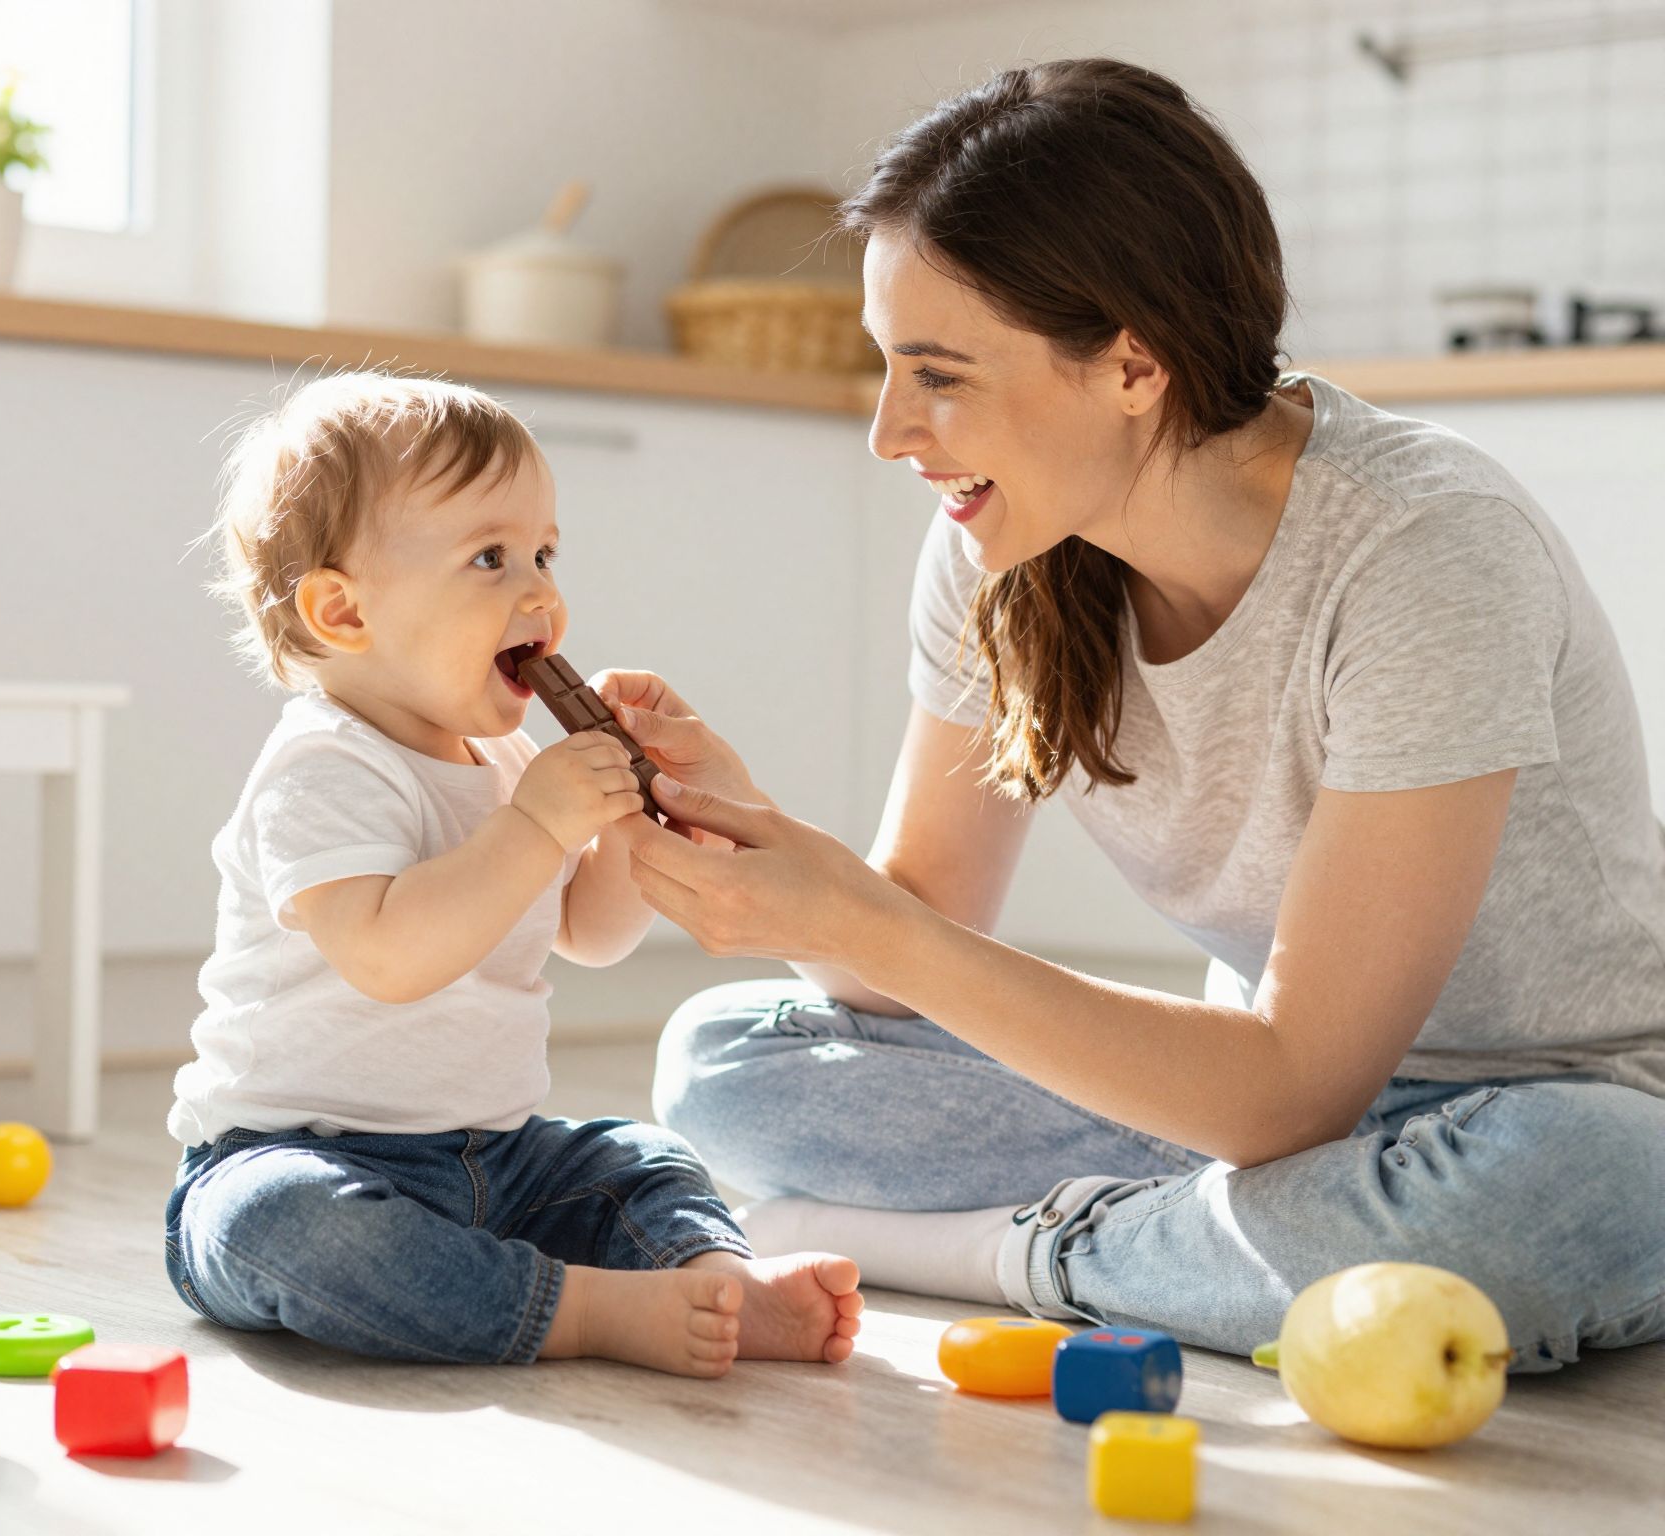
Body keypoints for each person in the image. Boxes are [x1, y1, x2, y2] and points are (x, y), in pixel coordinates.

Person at [613, 59, 1665, 1372]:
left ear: (1132, 362)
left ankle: (1001, 1253)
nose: (891, 431)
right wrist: (766, 854)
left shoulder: (1424, 548)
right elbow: (919, 929)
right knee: (725, 1062)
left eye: (938, 374)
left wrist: (857, 917)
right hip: (1241, 1128)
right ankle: (1201, 1252)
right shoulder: (999, 542)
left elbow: (1292, 1086)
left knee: (1573, 1205)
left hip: (1538, 1110)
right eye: (889, 368)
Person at [163, 372, 862, 1375]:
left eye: (543, 552)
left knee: (638, 1158)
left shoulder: (500, 764)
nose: (539, 591)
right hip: (299, 1151)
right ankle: (583, 1312)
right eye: (489, 558)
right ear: (342, 612)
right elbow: (389, 956)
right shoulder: (322, 768)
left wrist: (628, 819)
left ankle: (711, 1278)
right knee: (292, 1230)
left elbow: (591, 933)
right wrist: (537, 821)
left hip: (499, 1158)